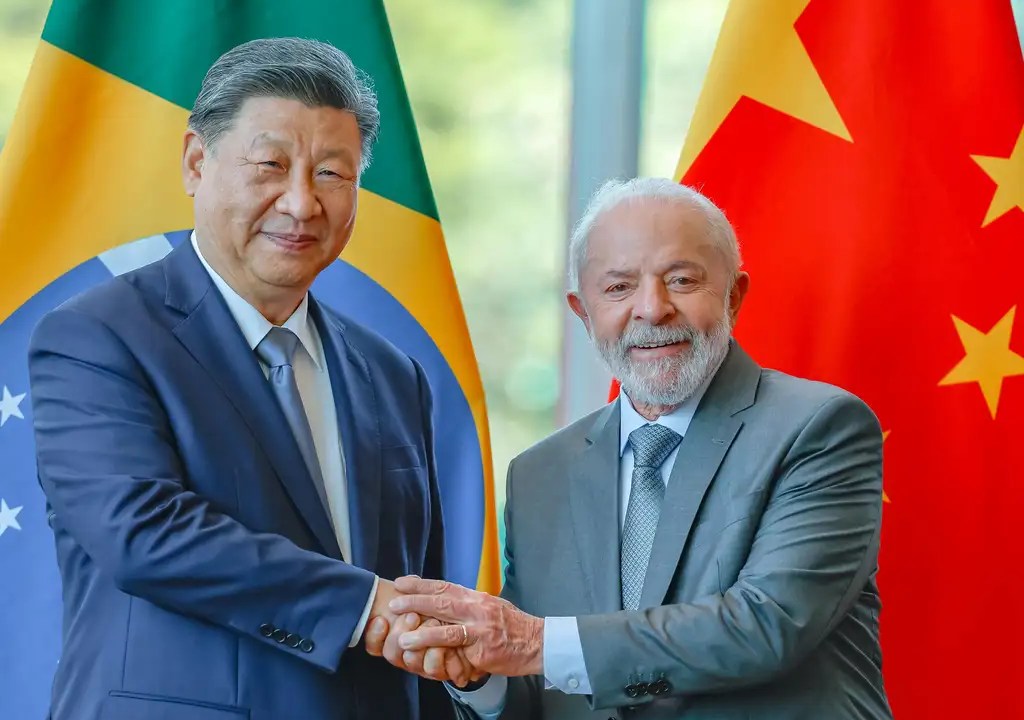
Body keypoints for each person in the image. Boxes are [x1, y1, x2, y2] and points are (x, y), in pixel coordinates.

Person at [27, 37, 471, 720]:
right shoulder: (97, 336)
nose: (300, 204)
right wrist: (361, 604)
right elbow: (143, 532)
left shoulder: (393, 373)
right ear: (196, 162)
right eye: (270, 165)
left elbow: (420, 598)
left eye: (332, 174)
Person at [368, 178, 893, 719]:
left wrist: (531, 644)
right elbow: (542, 685)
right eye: (618, 288)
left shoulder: (819, 427)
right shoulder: (540, 474)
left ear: (734, 295)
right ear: (582, 311)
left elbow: (769, 624)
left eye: (682, 280)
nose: (651, 308)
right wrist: (480, 674)